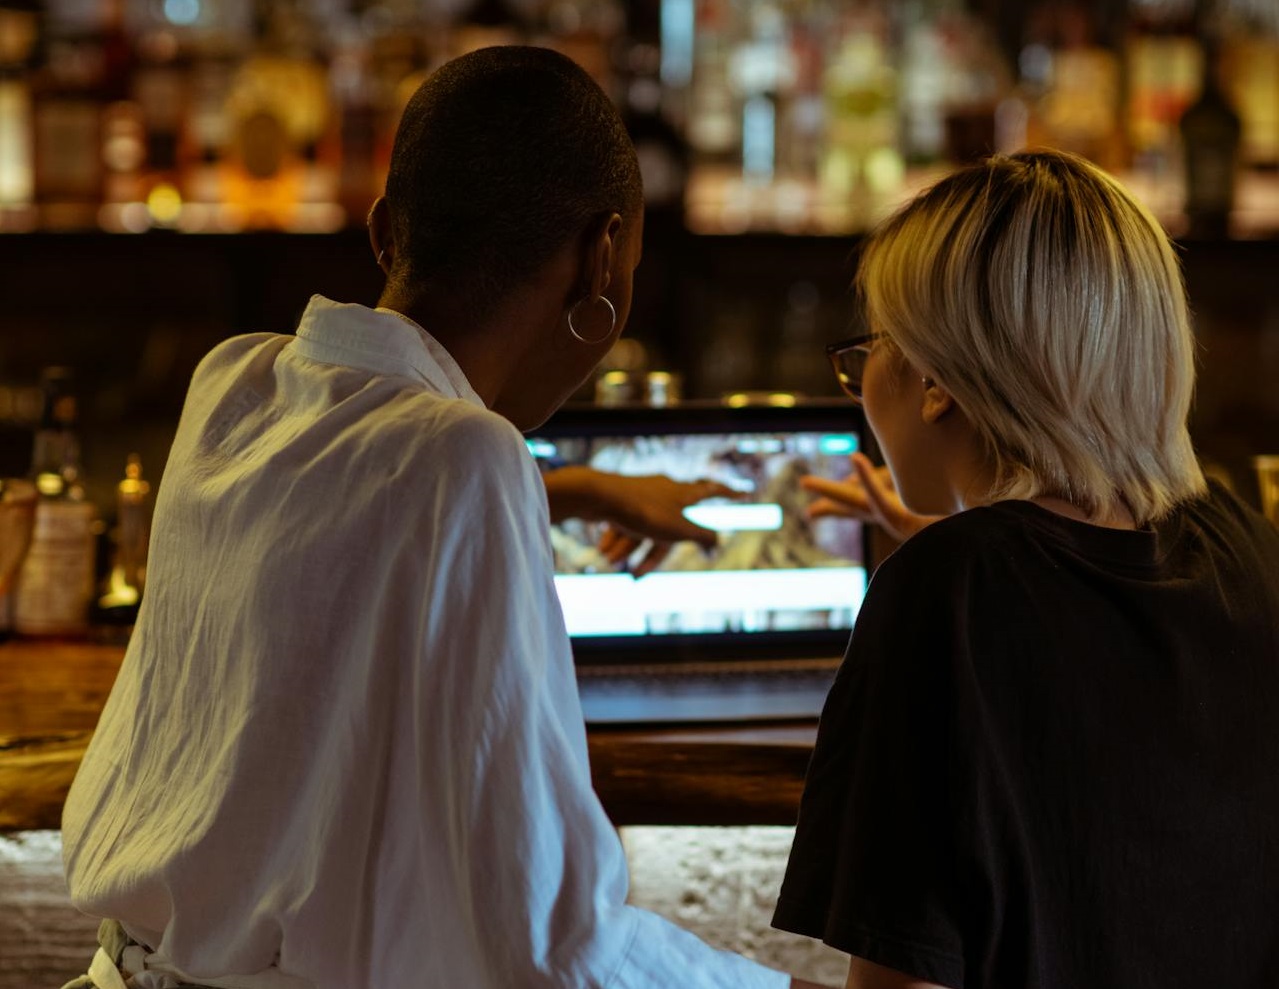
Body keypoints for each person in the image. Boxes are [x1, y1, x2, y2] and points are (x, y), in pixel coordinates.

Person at [61, 47, 830, 989]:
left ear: (385, 231)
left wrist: (571, 490)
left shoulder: (233, 382)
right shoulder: (469, 459)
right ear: (603, 258)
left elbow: (342, 498)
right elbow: (548, 939)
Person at [772, 150, 1279, 989]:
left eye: (869, 349)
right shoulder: (1245, 546)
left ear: (933, 379)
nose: (862, 380)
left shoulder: (950, 589)